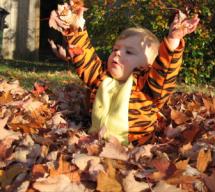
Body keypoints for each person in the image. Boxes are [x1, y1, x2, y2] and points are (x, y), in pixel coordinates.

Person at [49, 1, 200, 145]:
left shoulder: (147, 86)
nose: (118, 54)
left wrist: (173, 40)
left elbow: (164, 72)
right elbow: (84, 58)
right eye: (115, 49)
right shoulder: (102, 77)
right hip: (95, 144)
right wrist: (75, 29)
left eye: (129, 52)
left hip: (135, 151)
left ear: (148, 66)